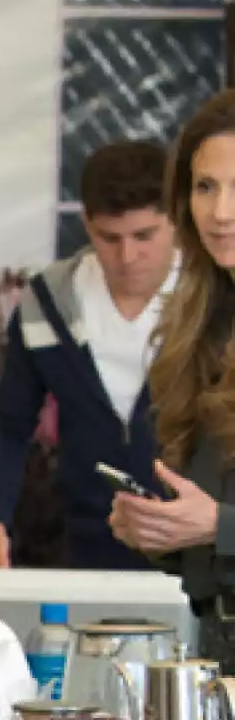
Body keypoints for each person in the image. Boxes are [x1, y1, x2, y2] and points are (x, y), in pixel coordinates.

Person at [0, 138, 176, 570]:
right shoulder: (46, 303)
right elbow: (8, 425)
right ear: (86, 224)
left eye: (144, 236)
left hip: (200, 551)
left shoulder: (215, 301)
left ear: (177, 217)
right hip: (86, 545)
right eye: (109, 238)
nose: (127, 256)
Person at [111, 90, 235, 668]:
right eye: (205, 187)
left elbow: (219, 524)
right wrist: (162, 532)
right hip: (215, 645)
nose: (220, 213)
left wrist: (217, 525)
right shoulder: (200, 325)